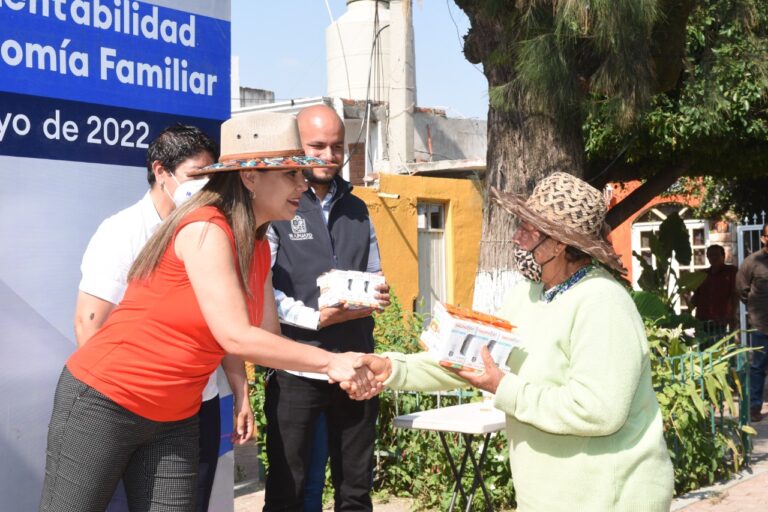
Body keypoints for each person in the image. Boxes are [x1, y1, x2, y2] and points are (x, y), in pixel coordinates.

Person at [39, 112, 380, 512]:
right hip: (106, 400)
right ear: (250, 177)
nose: (303, 185)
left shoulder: (260, 246)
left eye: (303, 175)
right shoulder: (205, 228)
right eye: (291, 175)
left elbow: (268, 339)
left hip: (176, 416)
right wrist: (333, 363)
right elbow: (235, 335)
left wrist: (346, 368)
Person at [355, 173, 675, 512]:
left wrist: (505, 388)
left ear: (559, 244)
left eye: (527, 229)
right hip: (546, 498)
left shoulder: (602, 303)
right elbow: (474, 360)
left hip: (609, 498)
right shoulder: (528, 295)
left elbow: (597, 411)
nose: (516, 237)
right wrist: (392, 368)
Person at [73, 124, 252, 512]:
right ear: (161, 172)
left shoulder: (215, 231)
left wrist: (240, 392)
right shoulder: (122, 232)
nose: (206, 187)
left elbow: (224, 327)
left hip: (194, 405)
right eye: (196, 176)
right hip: (130, 405)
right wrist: (116, 404)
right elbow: (89, 323)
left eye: (212, 177)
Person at [264, 104, 388, 512]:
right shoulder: (276, 206)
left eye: (337, 146)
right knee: (291, 490)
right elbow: (263, 292)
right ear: (296, 146)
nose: (329, 156)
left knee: (355, 490)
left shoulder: (358, 208)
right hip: (297, 366)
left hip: (356, 363)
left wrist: (376, 295)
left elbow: (374, 272)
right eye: (317, 146)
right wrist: (316, 317)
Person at [736, 223, 768, 423]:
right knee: (757, 367)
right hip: (761, 324)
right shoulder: (752, 262)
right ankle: (755, 407)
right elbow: (742, 290)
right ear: (764, 238)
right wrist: (756, 307)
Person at [691, 244, 738, 342]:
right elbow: (695, 298)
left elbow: (735, 294)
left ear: (723, 256)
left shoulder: (731, 271)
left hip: (721, 321)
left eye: (716, 255)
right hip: (702, 320)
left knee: (720, 351)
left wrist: (733, 315)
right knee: (703, 352)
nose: (713, 258)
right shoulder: (702, 274)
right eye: (710, 255)